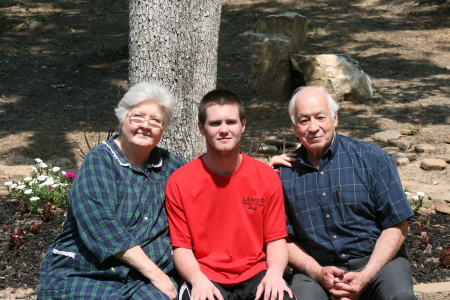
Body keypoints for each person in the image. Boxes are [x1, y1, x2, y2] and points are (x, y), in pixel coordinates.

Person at [37, 81, 186, 300]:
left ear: (163, 128)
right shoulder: (100, 160)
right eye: (137, 116)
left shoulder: (173, 167)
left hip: (142, 281)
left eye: (155, 120)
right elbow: (101, 223)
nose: (146, 125)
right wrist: (156, 274)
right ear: (123, 117)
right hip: (88, 270)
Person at [268, 86, 416, 300]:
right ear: (294, 126)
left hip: (375, 262)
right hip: (316, 267)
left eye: (320, 117)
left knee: (400, 297)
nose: (313, 127)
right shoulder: (282, 174)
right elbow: (282, 239)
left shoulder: (372, 159)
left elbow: (398, 224)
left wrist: (366, 275)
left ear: (335, 118)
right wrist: (319, 273)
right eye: (304, 120)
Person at [165, 89, 294, 300]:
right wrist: (197, 280)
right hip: (205, 275)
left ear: (243, 125)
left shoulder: (267, 178)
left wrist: (274, 273)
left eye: (231, 122)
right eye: (215, 123)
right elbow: (181, 247)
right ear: (201, 128)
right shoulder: (180, 181)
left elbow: (276, 239)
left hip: (256, 274)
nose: (224, 130)